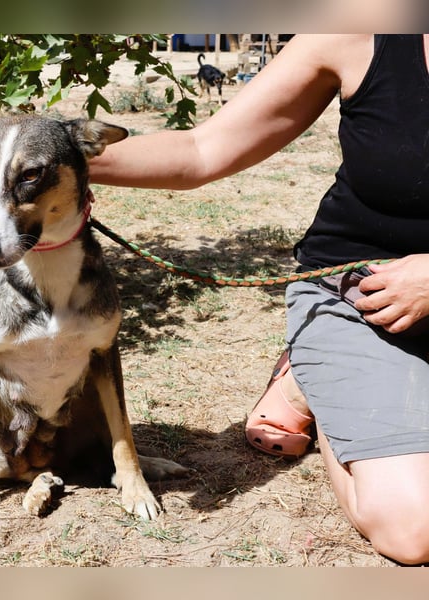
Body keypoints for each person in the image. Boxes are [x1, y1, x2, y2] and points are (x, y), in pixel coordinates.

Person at [88, 34, 429, 565]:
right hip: (368, 301)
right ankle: (319, 382)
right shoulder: (357, 34)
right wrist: (41, 154)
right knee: (413, 530)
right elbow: (202, 150)